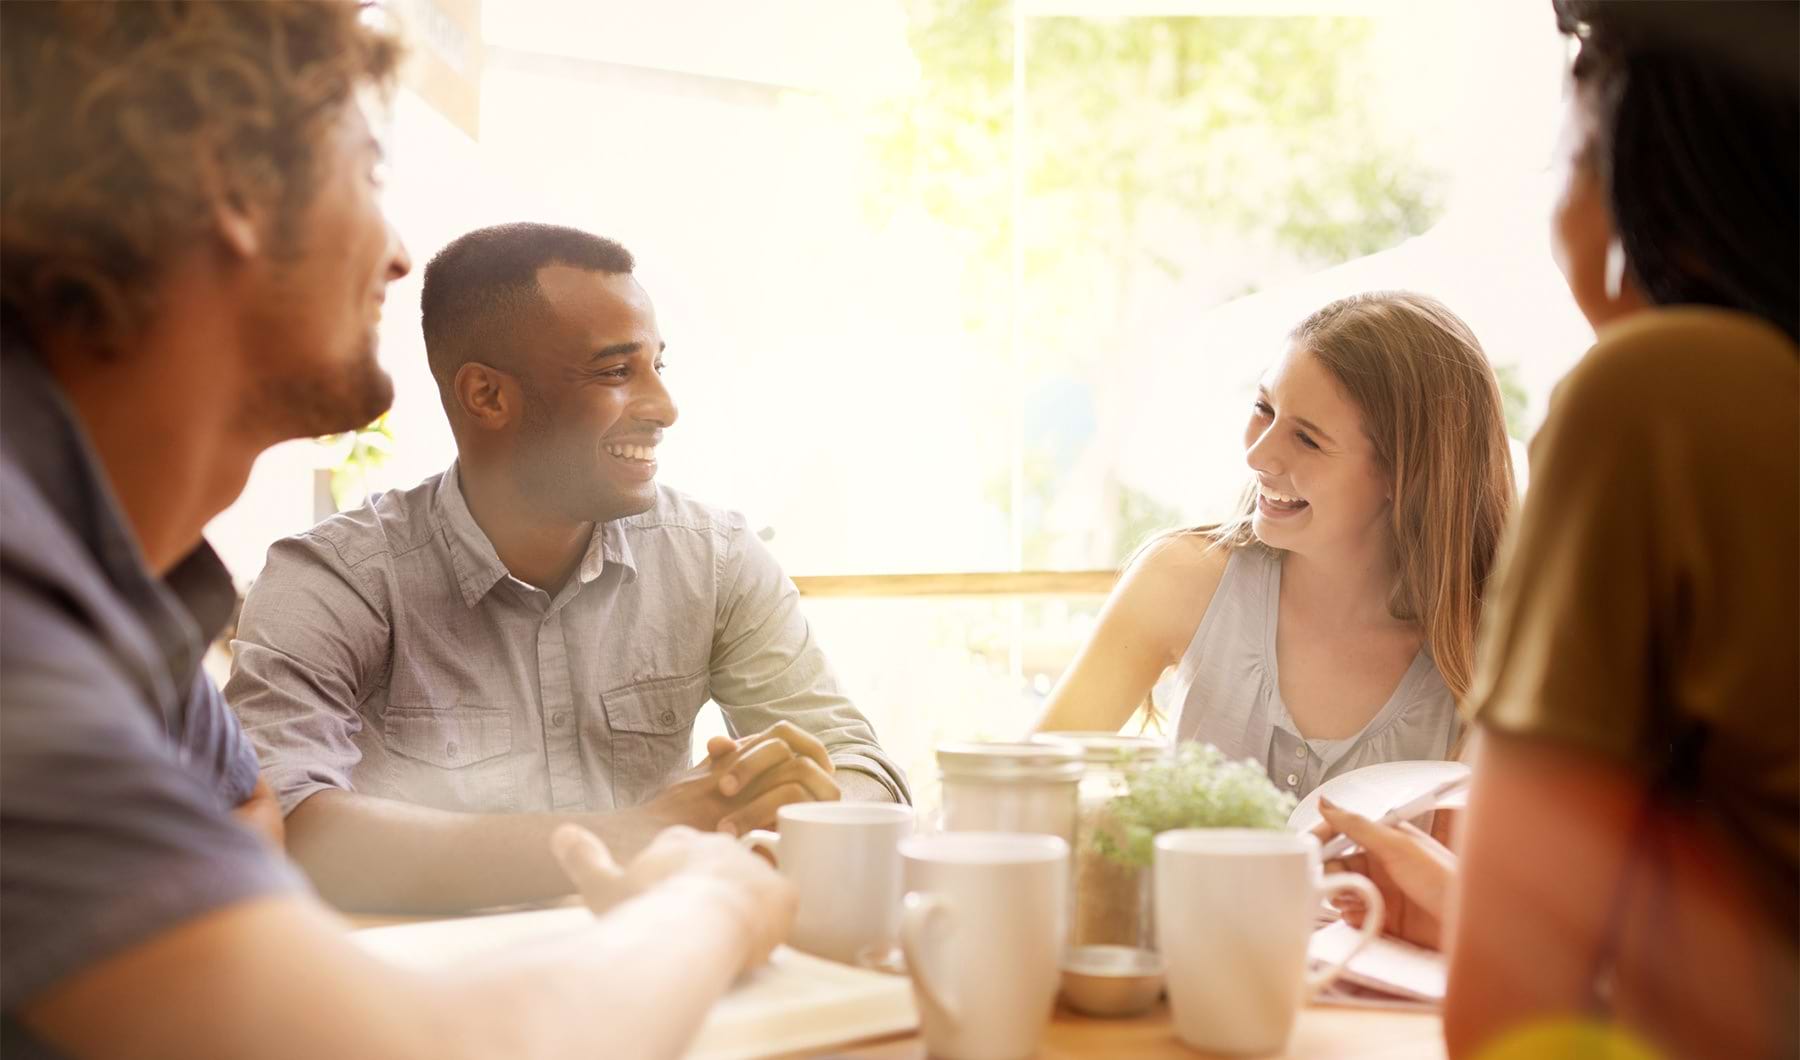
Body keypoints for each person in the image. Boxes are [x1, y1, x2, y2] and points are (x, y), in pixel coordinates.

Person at [0, 4, 794, 1057]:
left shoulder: (120, 595)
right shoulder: (19, 610)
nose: (397, 253)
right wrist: (708, 900)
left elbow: (255, 825)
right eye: (368, 170)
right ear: (233, 183)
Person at [1314, 3, 1799, 1057]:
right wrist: (1474, 904)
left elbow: (1510, 1019)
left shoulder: (1659, 396)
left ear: (1648, 170)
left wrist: (1505, 936)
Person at [226, 222, 908, 913]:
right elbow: (288, 828)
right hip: (432, 1000)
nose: (664, 409)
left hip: (673, 974)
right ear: (487, 396)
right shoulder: (335, 580)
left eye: (656, 367)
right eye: (616, 372)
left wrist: (786, 801)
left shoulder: (714, 557)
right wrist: (640, 832)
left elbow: (862, 768)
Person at [1035, 292, 1514, 799]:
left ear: (1406, 473)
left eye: (1307, 439)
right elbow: (1027, 788)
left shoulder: (1483, 656)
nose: (1259, 455)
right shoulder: (1179, 581)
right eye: (1264, 408)